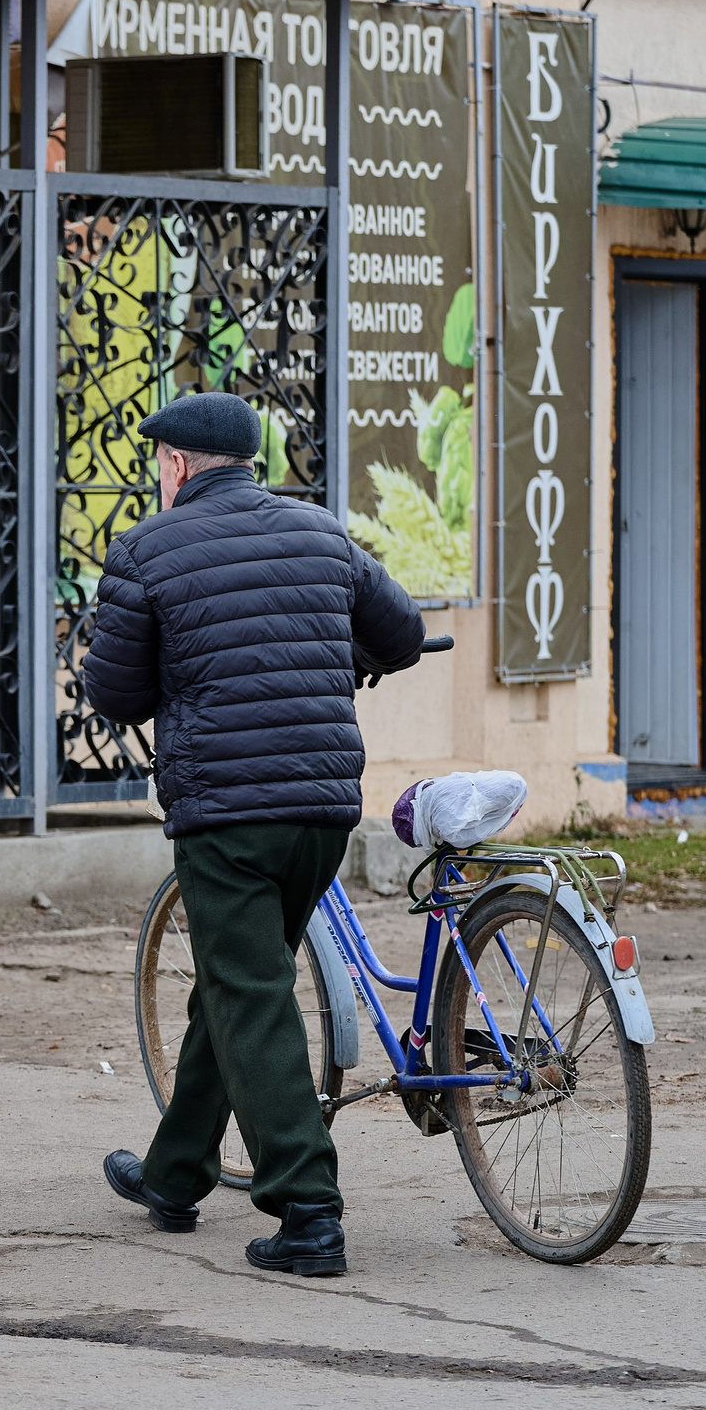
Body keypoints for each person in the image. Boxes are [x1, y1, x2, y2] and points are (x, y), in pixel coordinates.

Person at [82, 391, 425, 1277]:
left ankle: (308, 1208)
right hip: (323, 808)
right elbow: (404, 635)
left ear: (176, 465)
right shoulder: (320, 531)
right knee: (240, 984)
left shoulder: (147, 550)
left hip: (228, 812)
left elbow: (115, 692)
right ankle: (174, 1174)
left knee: (251, 990)